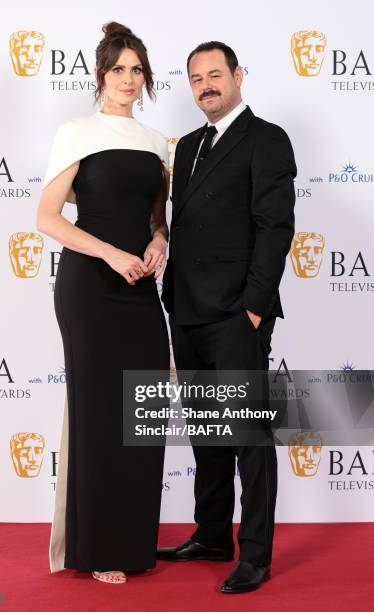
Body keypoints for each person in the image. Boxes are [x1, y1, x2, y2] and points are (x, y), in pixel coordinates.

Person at [159, 41, 296, 594]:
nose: (206, 85)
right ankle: (212, 534)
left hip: (238, 314)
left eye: (216, 74)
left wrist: (255, 308)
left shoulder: (267, 138)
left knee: (249, 437)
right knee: (206, 433)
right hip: (187, 309)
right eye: (196, 78)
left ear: (238, 75)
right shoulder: (188, 145)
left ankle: (256, 554)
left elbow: (275, 227)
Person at [37, 22, 170, 585]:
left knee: (141, 410)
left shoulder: (158, 142)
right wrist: (111, 255)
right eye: (119, 69)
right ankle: (96, 547)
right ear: (101, 74)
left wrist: (159, 240)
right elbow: (46, 218)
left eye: (137, 70)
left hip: (141, 287)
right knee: (96, 410)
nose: (128, 79)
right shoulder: (76, 132)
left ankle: (135, 539)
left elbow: (155, 218)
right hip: (91, 287)